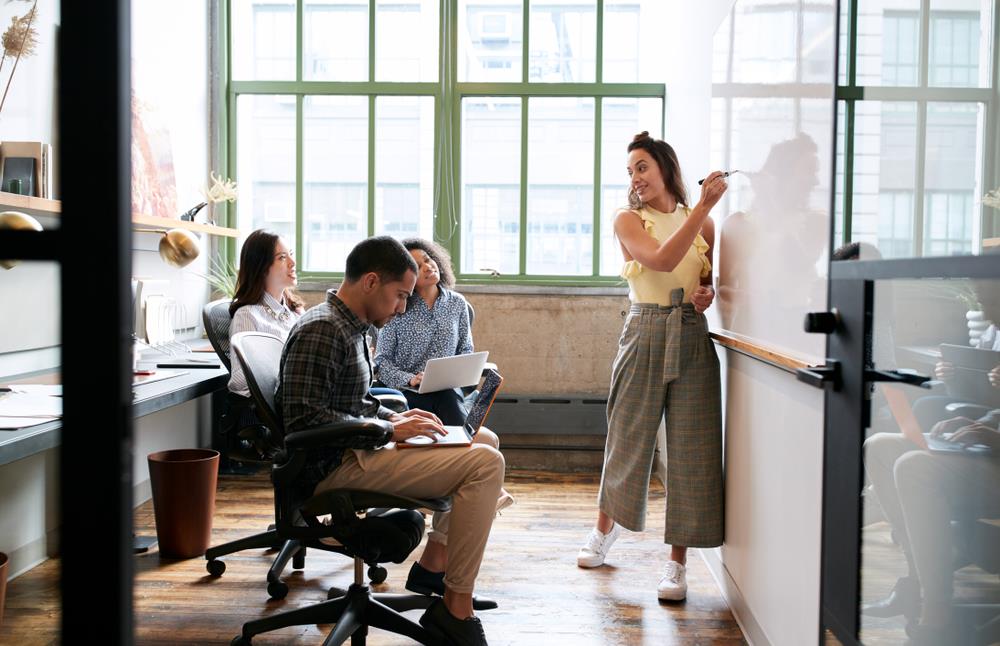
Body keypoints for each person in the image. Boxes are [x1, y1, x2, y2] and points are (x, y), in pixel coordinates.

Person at [275, 236, 505, 646]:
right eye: (399, 295)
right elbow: (303, 421)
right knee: (484, 464)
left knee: (480, 440)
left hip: (356, 449)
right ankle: (455, 608)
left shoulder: (350, 326)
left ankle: (440, 579)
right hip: (334, 466)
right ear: (370, 281)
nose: (402, 307)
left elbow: (351, 405)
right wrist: (389, 430)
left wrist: (393, 416)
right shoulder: (324, 329)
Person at [576, 131, 727, 602]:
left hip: (690, 333)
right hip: (643, 329)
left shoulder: (704, 228)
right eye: (630, 172)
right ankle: (604, 531)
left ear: (665, 168)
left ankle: (677, 564)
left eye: (642, 167)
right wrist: (702, 207)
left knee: (692, 451)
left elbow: (703, 285)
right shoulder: (628, 219)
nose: (636, 178)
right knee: (628, 435)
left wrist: (706, 296)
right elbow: (661, 261)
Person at [374, 238, 474, 425]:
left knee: (448, 395)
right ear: (404, 276)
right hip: (407, 391)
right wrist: (411, 379)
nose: (428, 267)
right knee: (446, 404)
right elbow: (382, 362)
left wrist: (452, 375)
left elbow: (466, 351)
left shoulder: (457, 303)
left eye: (428, 259)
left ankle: (461, 446)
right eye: (419, 266)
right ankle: (462, 442)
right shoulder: (395, 307)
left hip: (447, 388)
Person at [224, 229, 305, 458]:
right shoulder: (248, 316)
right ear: (261, 268)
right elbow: (240, 382)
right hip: (286, 407)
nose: (292, 262)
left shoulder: (294, 313)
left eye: (290, 254)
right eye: (282, 258)